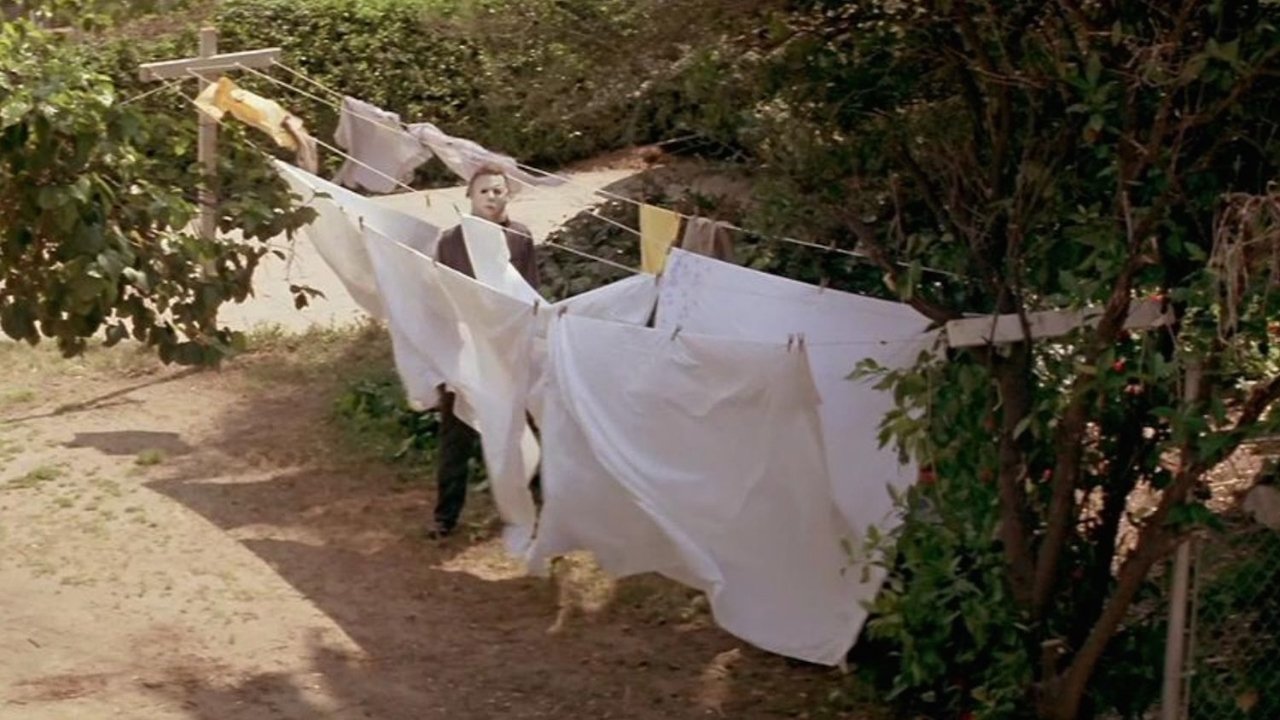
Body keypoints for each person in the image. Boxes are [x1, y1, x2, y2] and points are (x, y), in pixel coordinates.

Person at [427, 164, 539, 539]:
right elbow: (442, 296)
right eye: (484, 191)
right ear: (470, 196)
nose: (492, 197)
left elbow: (529, 294)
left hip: (507, 348)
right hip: (464, 348)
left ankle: (533, 507)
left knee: (523, 426)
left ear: (508, 194)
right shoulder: (451, 241)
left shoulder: (519, 237)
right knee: (456, 432)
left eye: (498, 190)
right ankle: (445, 517)